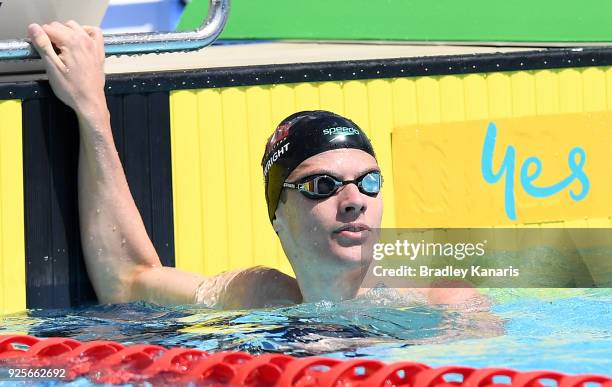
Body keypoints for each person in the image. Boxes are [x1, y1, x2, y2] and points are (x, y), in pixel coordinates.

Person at [27, 21, 482, 309]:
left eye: (368, 183)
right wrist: (92, 113)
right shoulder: (259, 295)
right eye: (323, 186)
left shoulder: (442, 303)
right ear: (277, 215)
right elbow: (127, 281)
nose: (353, 202)